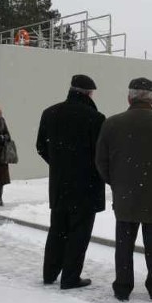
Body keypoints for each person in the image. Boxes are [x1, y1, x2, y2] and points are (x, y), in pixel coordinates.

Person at [96, 77, 152, 301]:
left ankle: (123, 286)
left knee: (124, 245)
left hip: (125, 194)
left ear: (129, 97)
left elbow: (101, 161)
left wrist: (116, 183)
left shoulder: (112, 124)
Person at [36, 74, 106, 290]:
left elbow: (40, 147)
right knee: (79, 232)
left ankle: (49, 273)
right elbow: (101, 154)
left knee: (57, 229)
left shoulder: (50, 113)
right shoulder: (95, 118)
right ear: (89, 93)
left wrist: (58, 164)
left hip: (59, 184)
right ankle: (70, 277)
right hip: (86, 185)